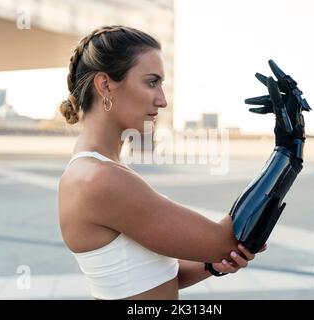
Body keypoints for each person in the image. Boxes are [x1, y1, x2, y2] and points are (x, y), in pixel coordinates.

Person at [58, 25, 266, 300]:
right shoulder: (100, 179)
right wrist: (287, 151)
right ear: (105, 85)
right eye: (151, 82)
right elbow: (223, 242)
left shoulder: (96, 171)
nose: (163, 100)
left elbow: (153, 275)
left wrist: (211, 265)